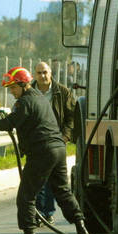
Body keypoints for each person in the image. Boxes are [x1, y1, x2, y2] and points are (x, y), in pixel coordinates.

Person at [0, 66, 90, 234]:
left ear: (22, 84)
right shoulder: (38, 98)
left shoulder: (25, 101)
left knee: (26, 196)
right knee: (63, 192)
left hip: (42, 151)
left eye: (13, 88)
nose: (11, 92)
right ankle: (82, 230)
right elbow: (19, 119)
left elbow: (10, 123)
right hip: (58, 149)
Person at [30, 61, 76, 225]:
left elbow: (71, 116)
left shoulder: (62, 92)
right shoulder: (29, 92)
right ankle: (39, 213)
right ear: (34, 75)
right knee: (36, 181)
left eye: (45, 72)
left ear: (50, 73)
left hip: (56, 144)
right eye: (39, 73)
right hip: (36, 143)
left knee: (53, 181)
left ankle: (49, 213)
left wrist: (65, 137)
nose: (42, 76)